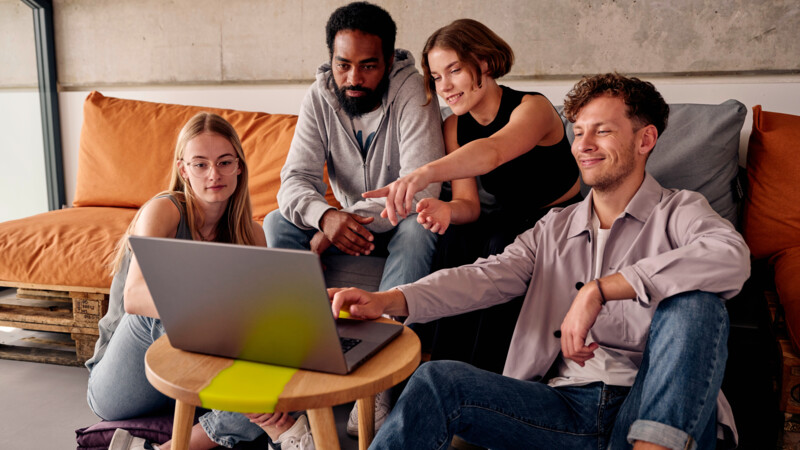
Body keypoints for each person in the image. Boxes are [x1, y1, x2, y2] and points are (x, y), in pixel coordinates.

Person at [330, 73, 751, 449]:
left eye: (601, 131)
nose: (583, 145)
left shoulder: (679, 210)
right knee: (436, 381)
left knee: (696, 303)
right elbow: (485, 276)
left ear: (645, 140)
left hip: (651, 406)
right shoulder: (554, 226)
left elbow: (730, 256)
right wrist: (387, 301)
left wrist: (601, 289)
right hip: (560, 409)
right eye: (579, 132)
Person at [262, 1, 445, 435]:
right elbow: (293, 181)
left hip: (396, 222)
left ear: (388, 61)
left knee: (418, 226)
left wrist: (346, 219)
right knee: (276, 222)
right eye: (343, 65)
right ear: (330, 61)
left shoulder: (414, 93)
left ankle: (379, 381)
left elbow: (420, 187)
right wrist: (325, 216)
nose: (354, 78)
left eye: (368, 66)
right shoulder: (319, 95)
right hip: (343, 223)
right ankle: (301, 348)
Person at [86, 113, 314, 450]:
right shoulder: (164, 211)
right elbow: (135, 297)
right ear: (183, 170)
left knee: (282, 348)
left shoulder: (252, 234)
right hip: (124, 382)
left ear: (239, 166)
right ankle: (270, 420)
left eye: (224, 162)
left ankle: (172, 447)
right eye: (200, 164)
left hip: (197, 382)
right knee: (164, 312)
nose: (214, 175)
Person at [387, 18, 583, 373]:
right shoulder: (453, 126)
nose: (444, 86)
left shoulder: (532, 107)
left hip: (560, 219)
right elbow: (469, 206)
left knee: (499, 240)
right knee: (454, 239)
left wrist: (425, 172)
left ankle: (489, 377)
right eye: (436, 76)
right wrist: (446, 210)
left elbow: (492, 151)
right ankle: (442, 373)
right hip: (510, 218)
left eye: (454, 70)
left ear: (485, 63)